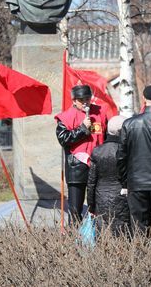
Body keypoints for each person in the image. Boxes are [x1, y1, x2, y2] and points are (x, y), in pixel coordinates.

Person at [117, 84, 151, 235]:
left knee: (139, 229)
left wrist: (125, 182)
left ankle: (141, 258)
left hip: (136, 183)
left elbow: (121, 157)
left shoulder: (129, 124)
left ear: (144, 99)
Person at [55, 85, 107, 223]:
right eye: (81, 99)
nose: (85, 102)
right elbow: (64, 139)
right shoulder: (65, 117)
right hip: (76, 168)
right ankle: (74, 238)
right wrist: (83, 128)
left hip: (97, 166)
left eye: (87, 98)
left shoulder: (100, 113)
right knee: (75, 211)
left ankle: (98, 238)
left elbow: (106, 136)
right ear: (74, 100)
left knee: (98, 208)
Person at [87, 115, 130, 236]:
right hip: (122, 198)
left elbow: (91, 182)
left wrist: (91, 205)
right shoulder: (127, 151)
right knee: (123, 235)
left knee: (103, 236)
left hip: (101, 199)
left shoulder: (97, 151)